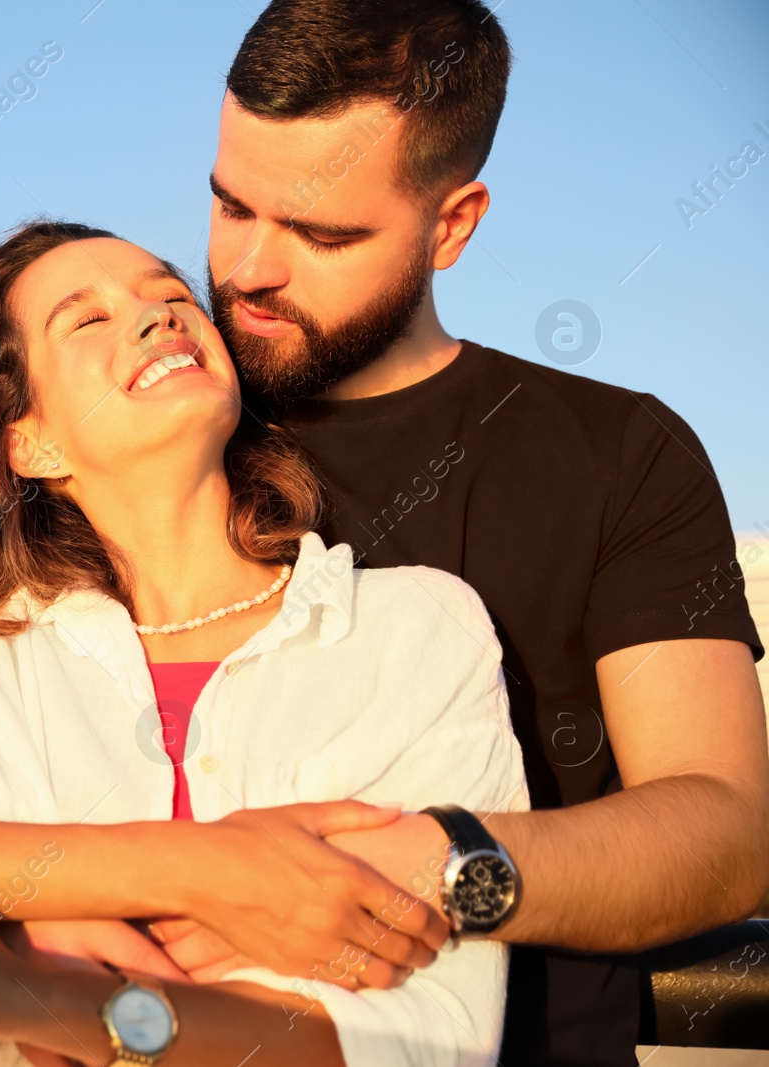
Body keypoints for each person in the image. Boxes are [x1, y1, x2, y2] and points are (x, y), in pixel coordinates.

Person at [0, 221, 529, 1067]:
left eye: (171, 296)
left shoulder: (416, 629)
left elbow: (425, 1039)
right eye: (86, 320)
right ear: (32, 442)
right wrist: (205, 870)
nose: (160, 317)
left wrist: (37, 983)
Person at [199, 1, 767, 1063]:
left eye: (321, 234)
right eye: (230, 205)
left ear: (452, 224)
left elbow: (724, 832)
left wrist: (423, 867)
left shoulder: (617, 451)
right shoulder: (142, 421)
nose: (248, 270)